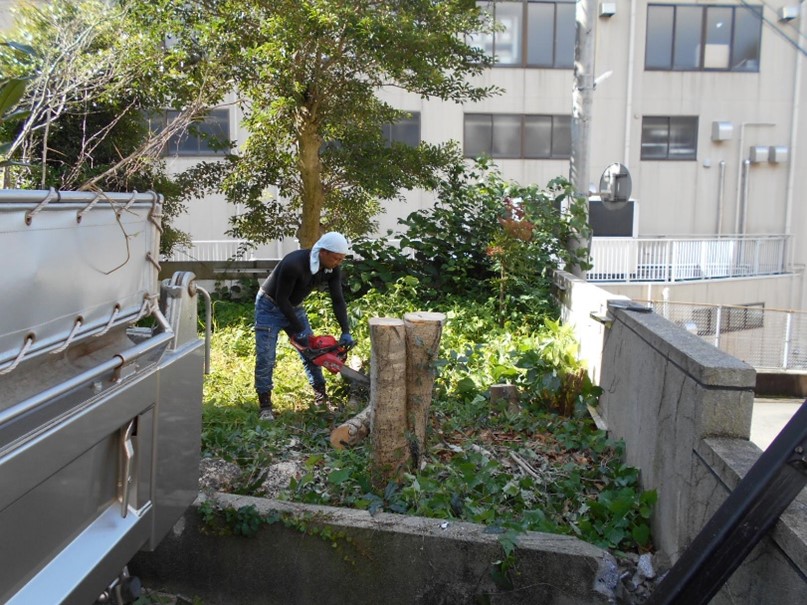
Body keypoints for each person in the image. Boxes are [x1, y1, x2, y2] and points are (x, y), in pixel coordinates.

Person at [254, 231, 355, 420]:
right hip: (269, 306)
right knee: (266, 356)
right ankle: (265, 406)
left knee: (313, 352)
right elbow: (282, 299)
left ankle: (321, 397)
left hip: (295, 307)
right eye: (335, 258)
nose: (338, 263)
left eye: (341, 259)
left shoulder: (332, 268)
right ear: (323, 252)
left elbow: (338, 300)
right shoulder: (294, 264)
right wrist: (298, 329)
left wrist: (345, 330)